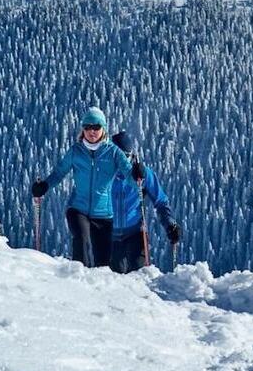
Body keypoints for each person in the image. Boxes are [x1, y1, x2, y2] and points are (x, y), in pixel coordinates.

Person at [31, 107, 139, 268]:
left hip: (104, 215)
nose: (91, 131)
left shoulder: (114, 152)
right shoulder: (76, 151)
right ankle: (77, 285)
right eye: (87, 127)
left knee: (103, 265)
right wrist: (45, 186)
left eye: (96, 127)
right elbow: (59, 172)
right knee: (82, 244)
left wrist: (137, 175)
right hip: (78, 209)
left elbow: (130, 176)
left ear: (103, 129)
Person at [109, 131, 180, 273]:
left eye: (126, 156)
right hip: (108, 237)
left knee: (138, 279)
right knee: (111, 284)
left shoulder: (143, 175)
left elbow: (161, 201)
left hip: (135, 234)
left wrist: (170, 224)